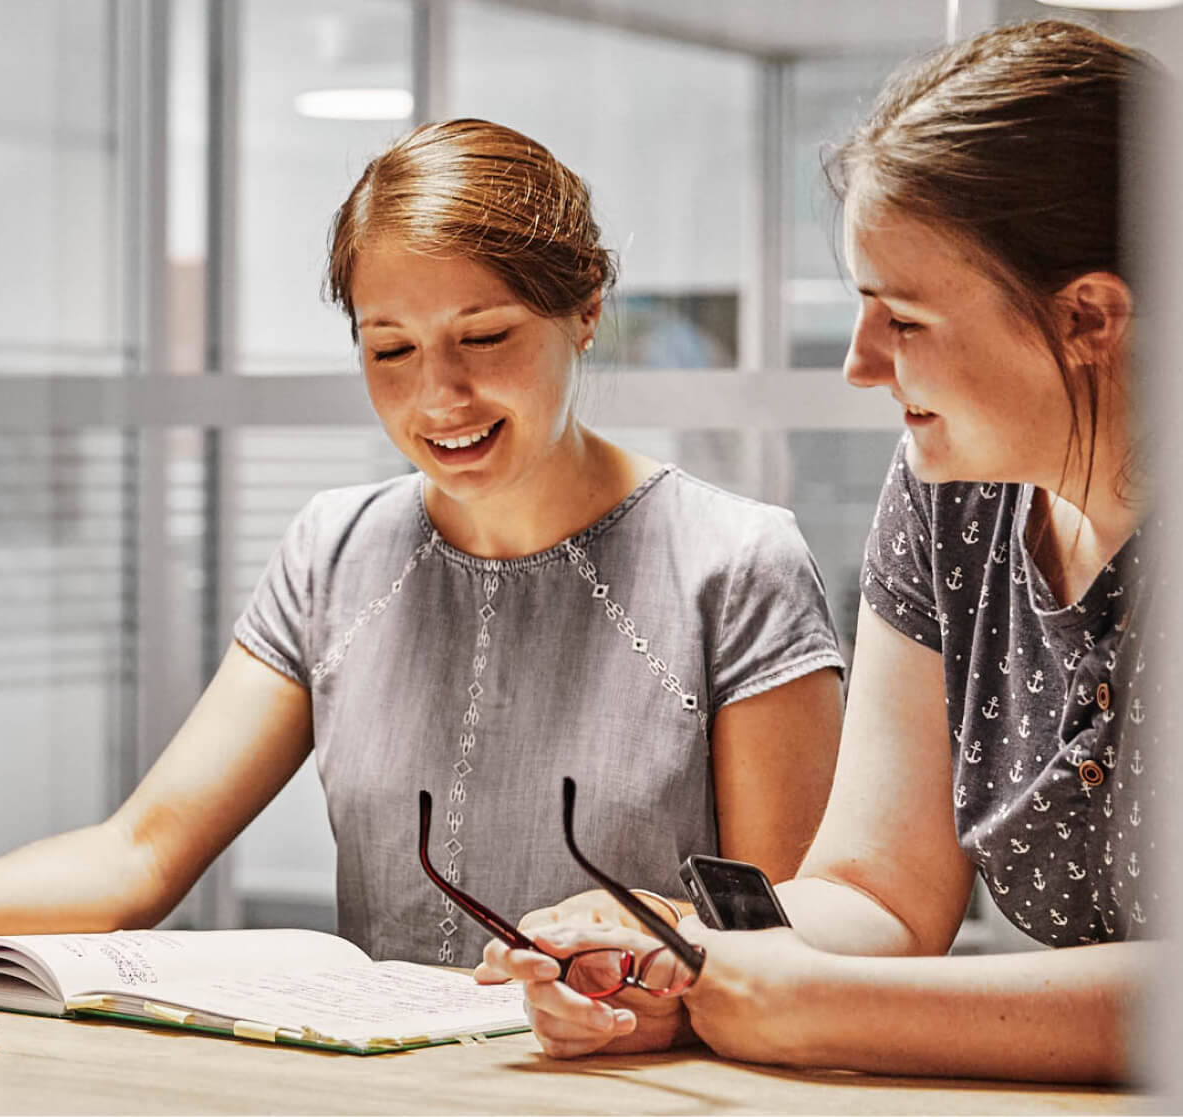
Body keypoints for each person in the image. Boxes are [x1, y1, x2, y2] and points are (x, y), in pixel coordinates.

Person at [478, 21, 1162, 1081]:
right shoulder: (948, 498)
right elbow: (879, 890)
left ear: (1087, 316)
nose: (859, 364)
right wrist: (684, 961)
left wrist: (824, 1006)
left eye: (904, 317)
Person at [0, 119, 845, 968]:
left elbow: (788, 943)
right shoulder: (333, 553)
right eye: (390, 348)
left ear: (585, 310)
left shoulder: (736, 565)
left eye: (484, 337)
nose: (439, 397)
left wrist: (651, 932)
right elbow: (140, 853)